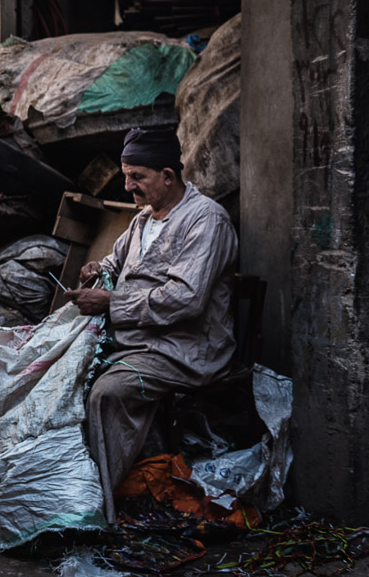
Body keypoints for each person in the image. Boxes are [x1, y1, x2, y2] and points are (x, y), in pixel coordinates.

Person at [62, 126, 238, 523]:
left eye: (137, 177)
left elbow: (186, 300)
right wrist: (98, 270)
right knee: (63, 378)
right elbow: (117, 263)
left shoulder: (205, 221)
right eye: (126, 175)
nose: (128, 187)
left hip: (186, 349)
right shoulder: (143, 221)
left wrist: (111, 303)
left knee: (107, 393)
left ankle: (97, 510)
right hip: (141, 341)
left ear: (168, 176)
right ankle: (82, 486)